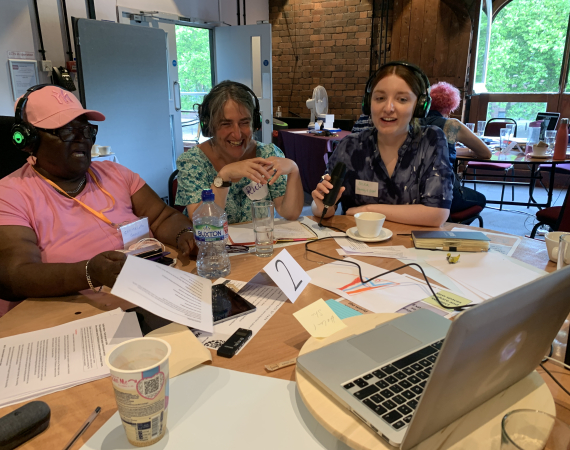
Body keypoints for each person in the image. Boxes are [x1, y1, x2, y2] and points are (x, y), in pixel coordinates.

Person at [0, 85, 196, 313]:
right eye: (67, 131)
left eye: (85, 130)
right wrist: (89, 273)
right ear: (29, 140)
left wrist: (185, 234)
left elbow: (162, 217)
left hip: (143, 296)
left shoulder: (116, 174)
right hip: (66, 313)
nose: (82, 139)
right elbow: (14, 274)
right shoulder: (10, 194)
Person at [311, 62, 454, 227]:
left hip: (412, 248)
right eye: (379, 98)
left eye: (402, 99)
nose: (388, 108)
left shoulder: (431, 140)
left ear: (419, 106)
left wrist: (368, 210)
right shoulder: (350, 146)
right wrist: (322, 205)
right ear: (368, 102)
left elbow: (437, 214)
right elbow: (324, 208)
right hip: (357, 247)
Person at [175, 81, 303, 224]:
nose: (237, 134)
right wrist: (224, 176)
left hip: (259, 244)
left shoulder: (268, 154)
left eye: (244, 123)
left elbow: (290, 213)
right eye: (226, 124)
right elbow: (204, 223)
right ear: (209, 126)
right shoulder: (193, 162)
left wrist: (294, 170)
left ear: (255, 122)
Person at [423, 81, 492, 213]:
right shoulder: (452, 125)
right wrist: (471, 152)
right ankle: (450, 224)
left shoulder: (411, 122)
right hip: (444, 192)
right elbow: (486, 153)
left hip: (413, 191)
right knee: (480, 199)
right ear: (450, 109)